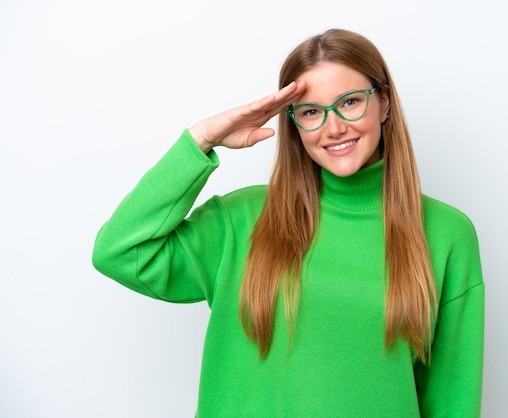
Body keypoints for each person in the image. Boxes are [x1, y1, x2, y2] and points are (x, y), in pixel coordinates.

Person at [92, 28, 484, 417]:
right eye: (311, 111)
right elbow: (119, 252)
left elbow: (452, 399)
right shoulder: (240, 221)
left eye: (349, 102)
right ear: (294, 124)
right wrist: (200, 141)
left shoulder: (446, 233)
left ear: (384, 103)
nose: (333, 128)